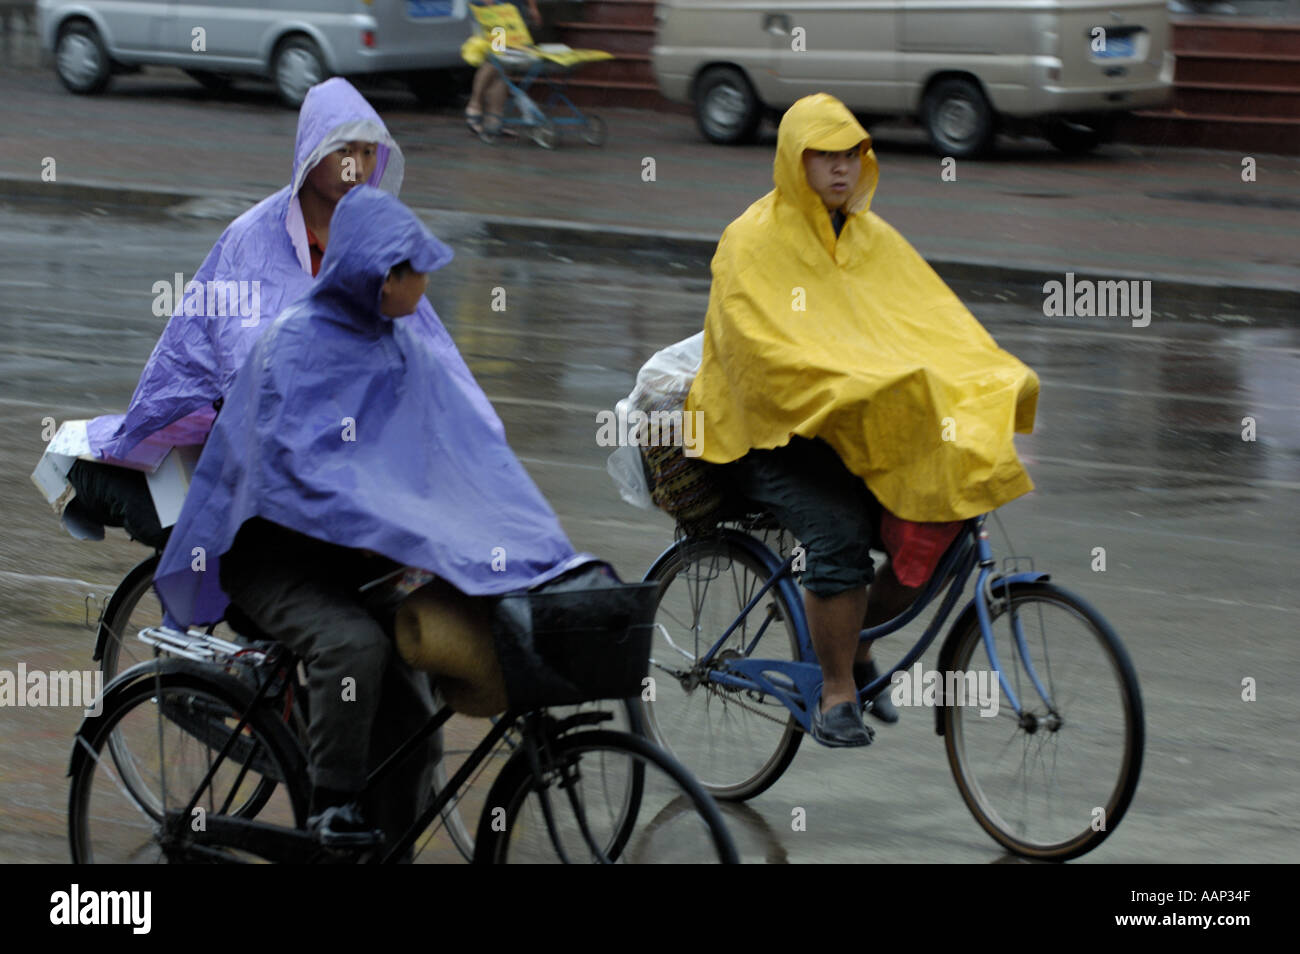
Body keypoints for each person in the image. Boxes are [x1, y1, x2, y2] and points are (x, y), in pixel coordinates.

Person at [153, 186, 592, 851]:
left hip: (361, 556)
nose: (424, 283)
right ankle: (332, 807)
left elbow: (462, 451)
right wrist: (386, 523)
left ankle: (389, 842)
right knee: (353, 647)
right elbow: (293, 470)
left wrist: (523, 537)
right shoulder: (295, 344)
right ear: (378, 276)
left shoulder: (400, 346)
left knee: (413, 719)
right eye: (414, 271)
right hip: (271, 554)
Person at [684, 93, 1039, 747]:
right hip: (766, 436)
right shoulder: (751, 240)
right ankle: (838, 690)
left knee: (935, 523)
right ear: (796, 160)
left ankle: (854, 639)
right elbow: (759, 355)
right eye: (826, 156)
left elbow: (936, 324)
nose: (842, 169)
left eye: (853, 155)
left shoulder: (875, 239)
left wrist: (991, 373)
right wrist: (851, 382)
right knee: (839, 539)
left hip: (852, 427)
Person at [64, 78, 484, 547]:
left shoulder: (373, 245)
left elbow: (424, 341)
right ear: (311, 150)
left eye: (369, 153)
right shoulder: (253, 239)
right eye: (345, 150)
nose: (358, 167)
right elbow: (248, 361)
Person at [461, 0, 542, 137]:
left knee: (506, 63)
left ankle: (495, 118)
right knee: (495, 57)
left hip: (513, 8)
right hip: (492, 8)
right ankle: (474, 105)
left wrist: (532, 7)